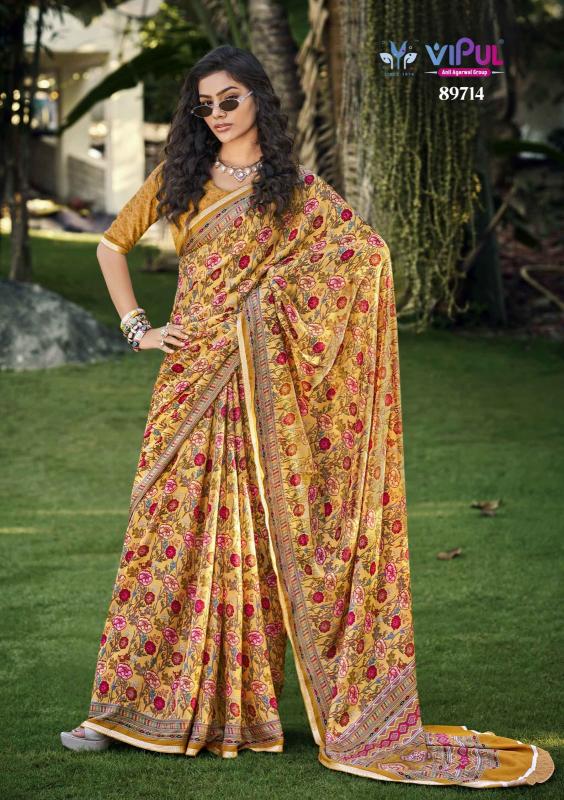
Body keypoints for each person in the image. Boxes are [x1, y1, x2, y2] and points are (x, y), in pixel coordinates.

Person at [60, 44, 555, 787]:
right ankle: (117, 711)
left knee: (249, 555)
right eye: (205, 105)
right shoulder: (180, 177)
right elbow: (109, 246)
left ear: (258, 98)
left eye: (230, 99)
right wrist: (139, 328)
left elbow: (365, 258)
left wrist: (266, 307)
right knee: (160, 535)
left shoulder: (296, 190)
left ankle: (234, 717)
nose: (217, 114)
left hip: (264, 394)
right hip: (190, 382)